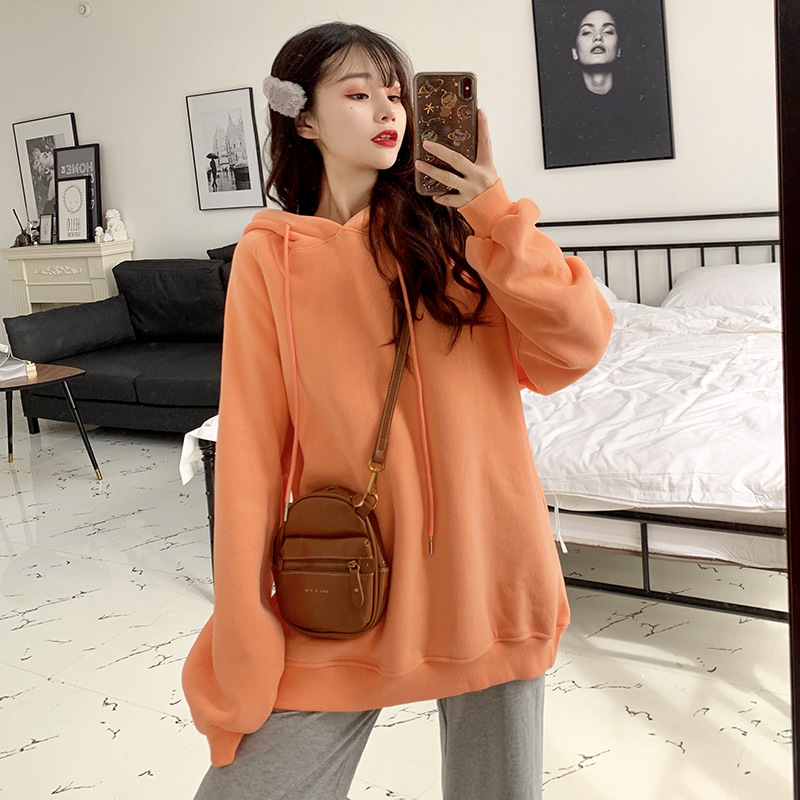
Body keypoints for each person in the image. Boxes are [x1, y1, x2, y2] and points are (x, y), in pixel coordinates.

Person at [182, 21, 614, 800]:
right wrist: (245, 629)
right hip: (346, 579)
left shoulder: (461, 234)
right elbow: (250, 453)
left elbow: (578, 344)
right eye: (357, 94)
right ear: (303, 119)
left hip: (489, 573)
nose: (388, 110)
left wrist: (494, 212)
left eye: (395, 93)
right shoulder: (269, 256)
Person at [542, 6, 673, 168]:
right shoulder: (557, 115)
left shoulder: (646, 109)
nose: (598, 37)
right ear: (574, 52)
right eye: (587, 32)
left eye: (608, 31)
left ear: (618, 50)